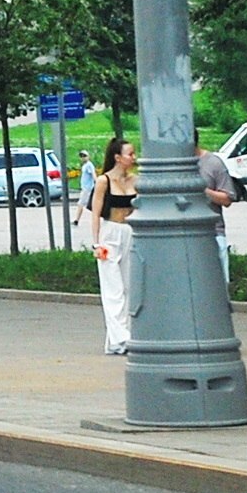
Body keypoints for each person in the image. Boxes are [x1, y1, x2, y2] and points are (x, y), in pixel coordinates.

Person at [88, 136, 139, 355]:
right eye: (130, 154)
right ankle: (122, 337)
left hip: (130, 232)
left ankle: (116, 341)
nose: (134, 157)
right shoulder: (104, 181)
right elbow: (96, 213)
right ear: (118, 157)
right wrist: (96, 243)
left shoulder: (135, 180)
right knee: (113, 289)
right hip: (110, 232)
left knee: (128, 286)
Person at [197, 134, 235, 288]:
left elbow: (227, 199)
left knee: (218, 286)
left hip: (213, 232)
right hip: (181, 233)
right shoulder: (171, 164)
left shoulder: (213, 163)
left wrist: (203, 190)